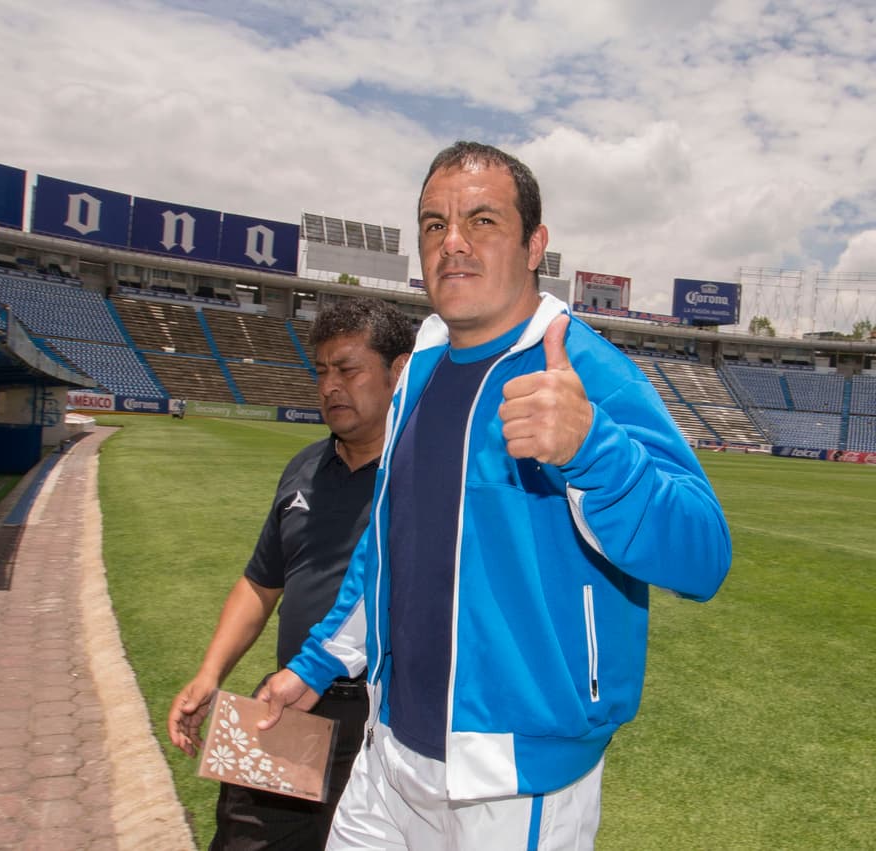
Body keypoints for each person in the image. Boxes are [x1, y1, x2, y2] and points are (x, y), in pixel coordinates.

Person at [258, 142, 733, 849]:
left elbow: (705, 554)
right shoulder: (418, 362)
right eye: (433, 224)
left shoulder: (587, 368)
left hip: (514, 782)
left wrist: (592, 449)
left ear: (535, 243)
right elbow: (390, 540)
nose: (452, 243)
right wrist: (320, 661)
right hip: (389, 754)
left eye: (482, 221)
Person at [168, 298, 414, 850]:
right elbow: (260, 583)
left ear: (398, 372)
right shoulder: (303, 467)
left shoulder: (426, 483)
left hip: (384, 725)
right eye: (321, 370)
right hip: (289, 704)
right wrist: (210, 674)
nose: (330, 386)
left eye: (348, 369)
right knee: (244, 840)